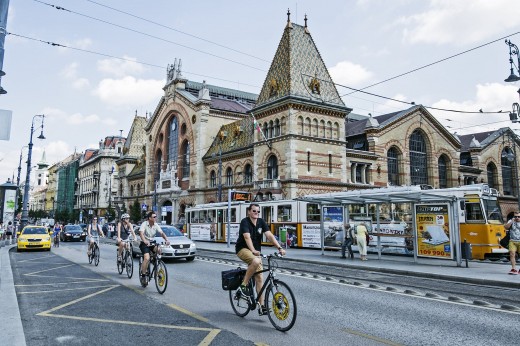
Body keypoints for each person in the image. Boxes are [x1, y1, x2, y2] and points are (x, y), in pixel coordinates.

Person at [235, 203, 285, 316]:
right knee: (256, 261)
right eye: (254, 211)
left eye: (258, 211)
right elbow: (247, 237)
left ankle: (262, 307)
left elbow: (269, 236)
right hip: (243, 249)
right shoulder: (245, 222)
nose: (256, 213)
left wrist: (279, 247)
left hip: (255, 252)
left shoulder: (261, 222)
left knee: (259, 278)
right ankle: (243, 285)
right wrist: (253, 250)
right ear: (249, 212)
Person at [138, 211, 170, 284]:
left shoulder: (156, 225)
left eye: (156, 217)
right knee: (146, 258)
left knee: (159, 249)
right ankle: (143, 275)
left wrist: (166, 239)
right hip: (144, 243)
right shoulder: (144, 224)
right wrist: (145, 241)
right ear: (149, 218)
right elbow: (141, 233)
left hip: (152, 243)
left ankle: (156, 261)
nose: (156, 218)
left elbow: (161, 233)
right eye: (154, 217)